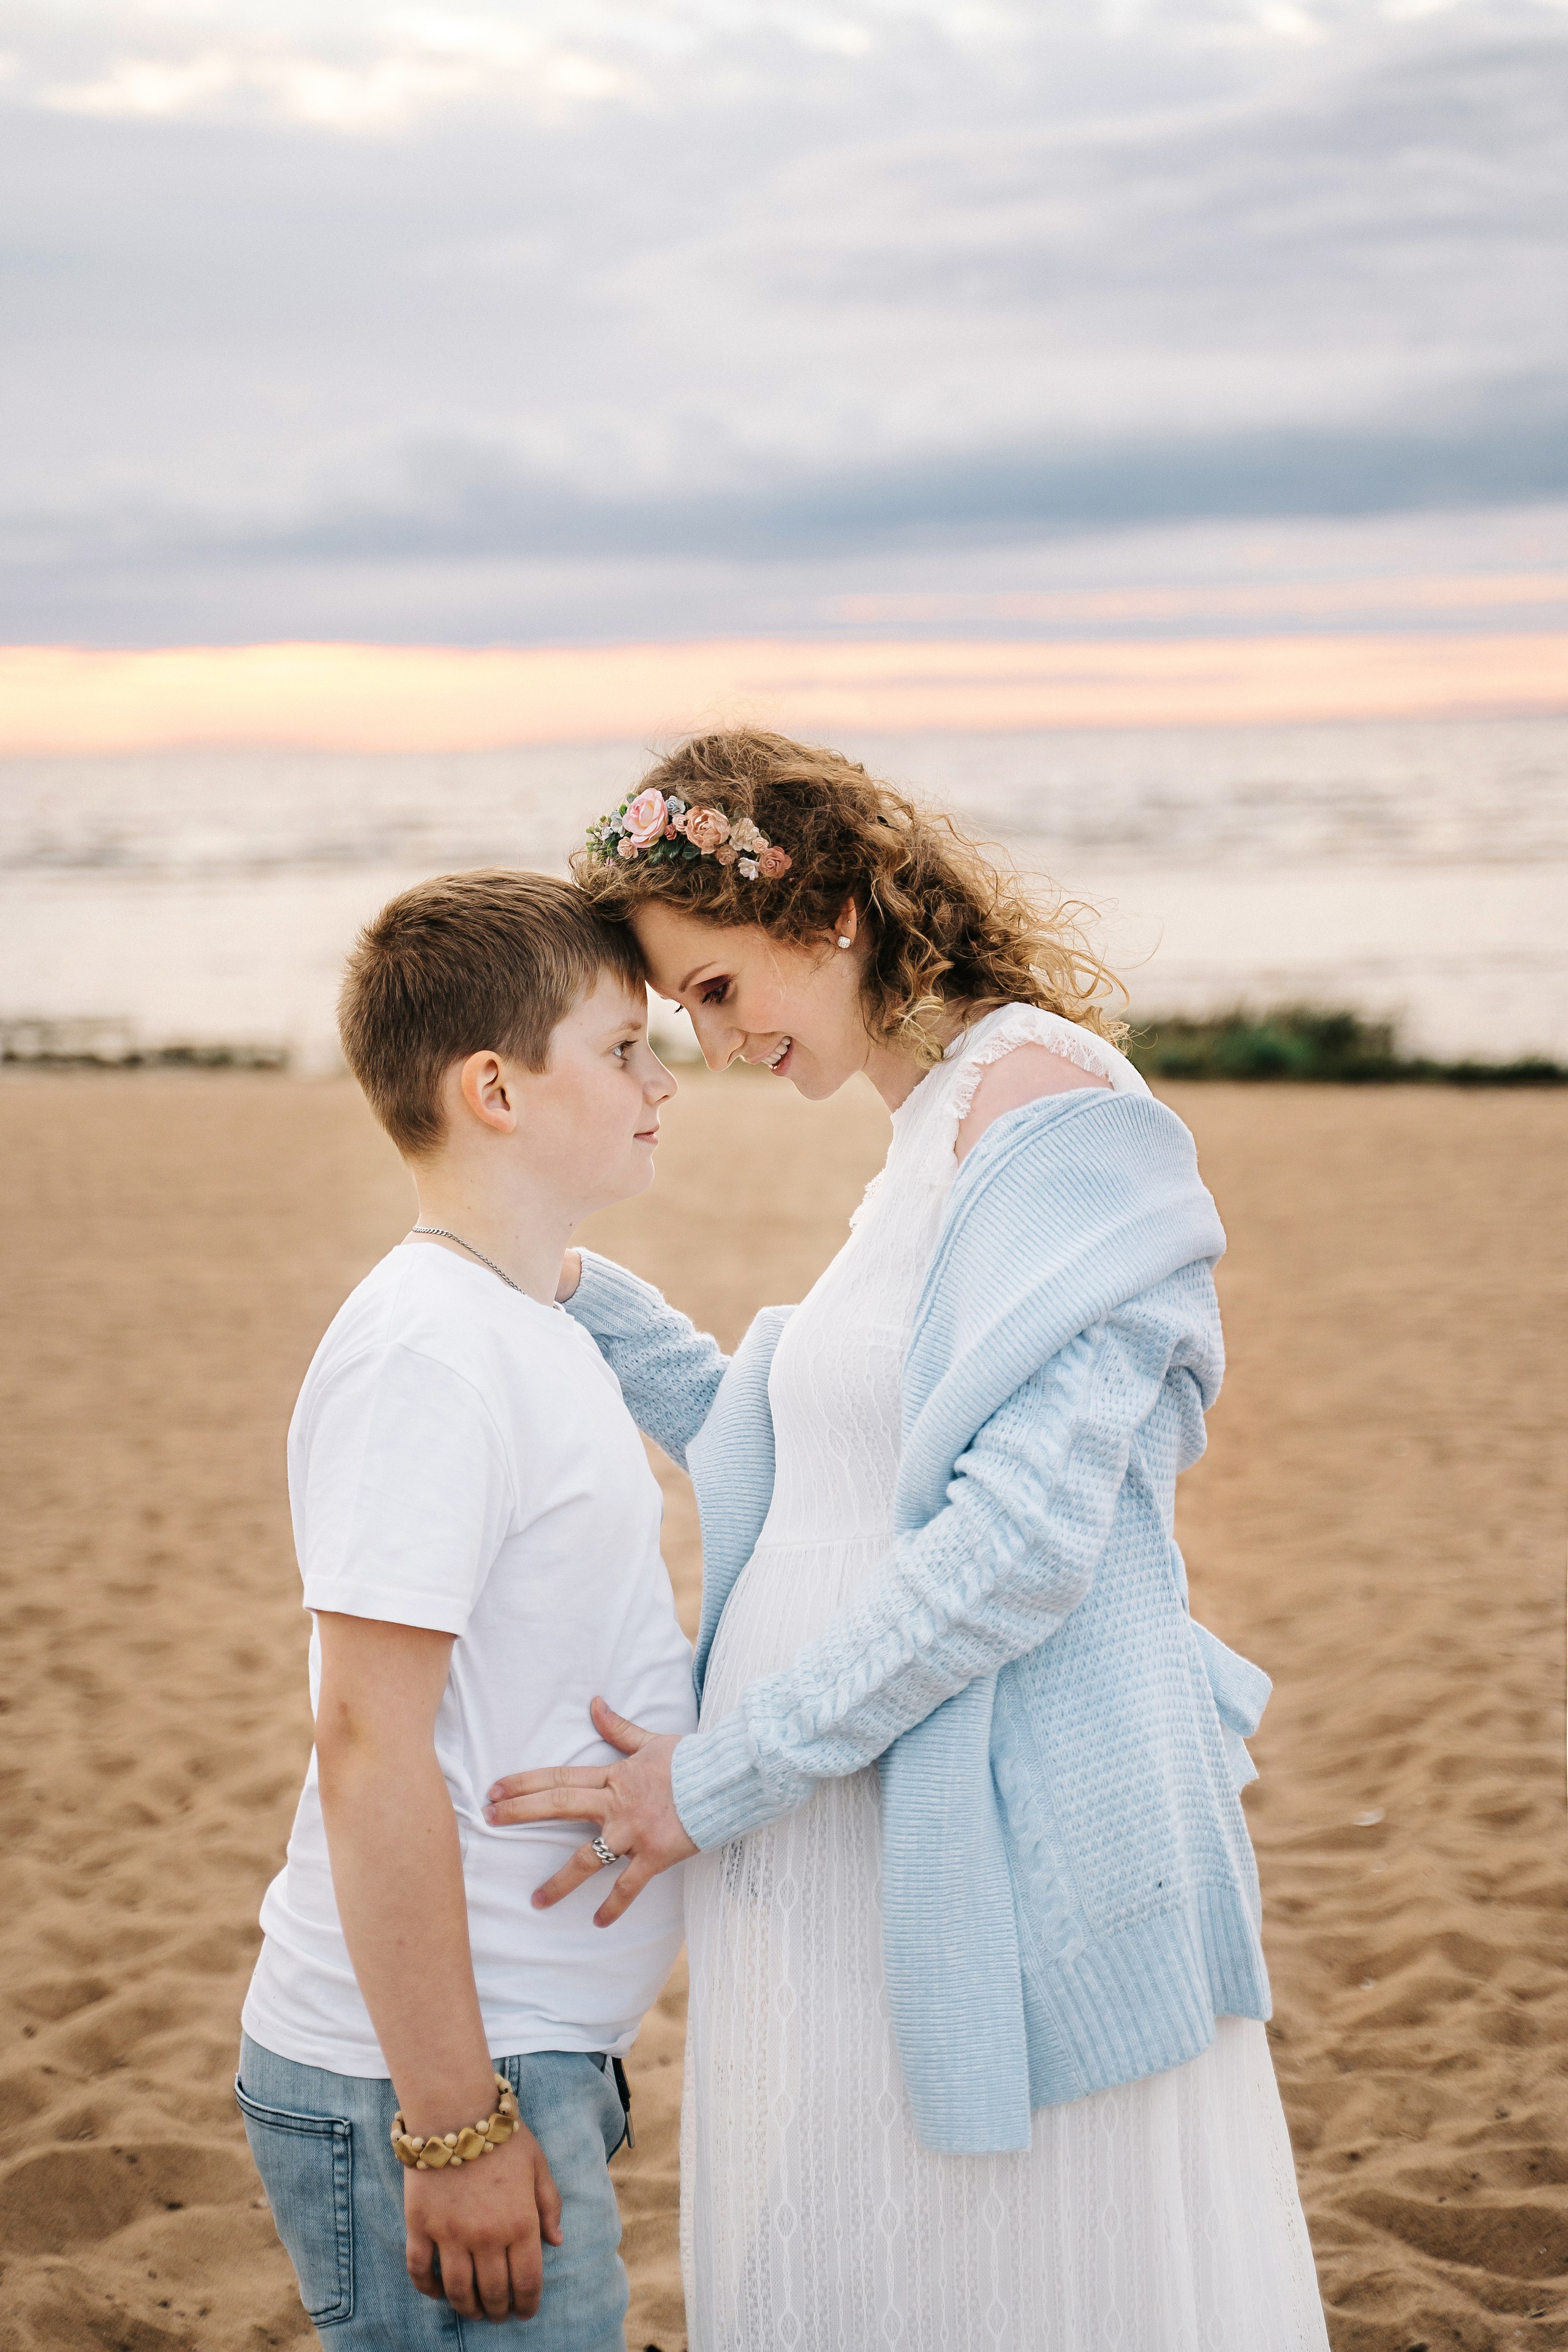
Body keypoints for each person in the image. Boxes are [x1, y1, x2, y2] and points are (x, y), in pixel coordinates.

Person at [486, 734, 1330, 2350]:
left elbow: (1019, 1550)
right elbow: (815, 1451)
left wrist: (712, 1778)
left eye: (720, 989)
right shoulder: (936, 1130)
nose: (716, 1045)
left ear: (834, 912)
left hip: (977, 1852)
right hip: (843, 1826)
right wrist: (572, 1286)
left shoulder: (1058, 1119)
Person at [237, 869, 696, 2350]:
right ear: (493, 1088)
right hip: (430, 2076)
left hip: (523, 2050)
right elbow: (367, 1744)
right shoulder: (426, 1355)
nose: (659, 1078)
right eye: (621, 1048)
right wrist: (449, 2125)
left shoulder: (525, 1314)